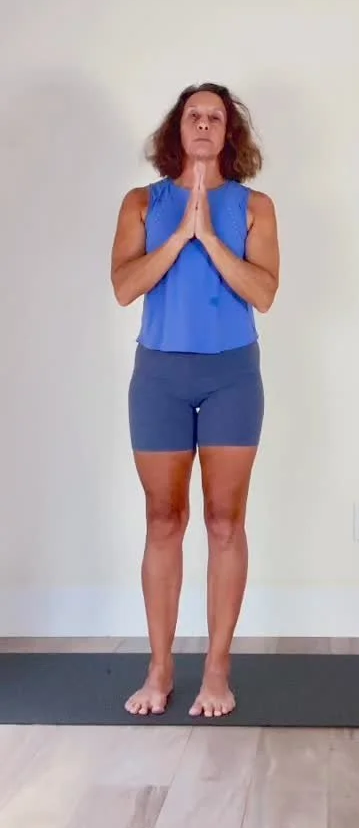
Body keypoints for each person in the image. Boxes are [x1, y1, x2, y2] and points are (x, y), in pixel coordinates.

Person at [110, 83, 279, 718]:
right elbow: (125, 286)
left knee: (225, 521)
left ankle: (216, 669)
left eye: (215, 117)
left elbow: (263, 293)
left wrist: (209, 237)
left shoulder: (255, 206)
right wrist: (180, 232)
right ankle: (159, 669)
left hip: (232, 374)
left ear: (229, 132)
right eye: (193, 115)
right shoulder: (141, 203)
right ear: (176, 130)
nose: (204, 124)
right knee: (163, 520)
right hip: (159, 376)